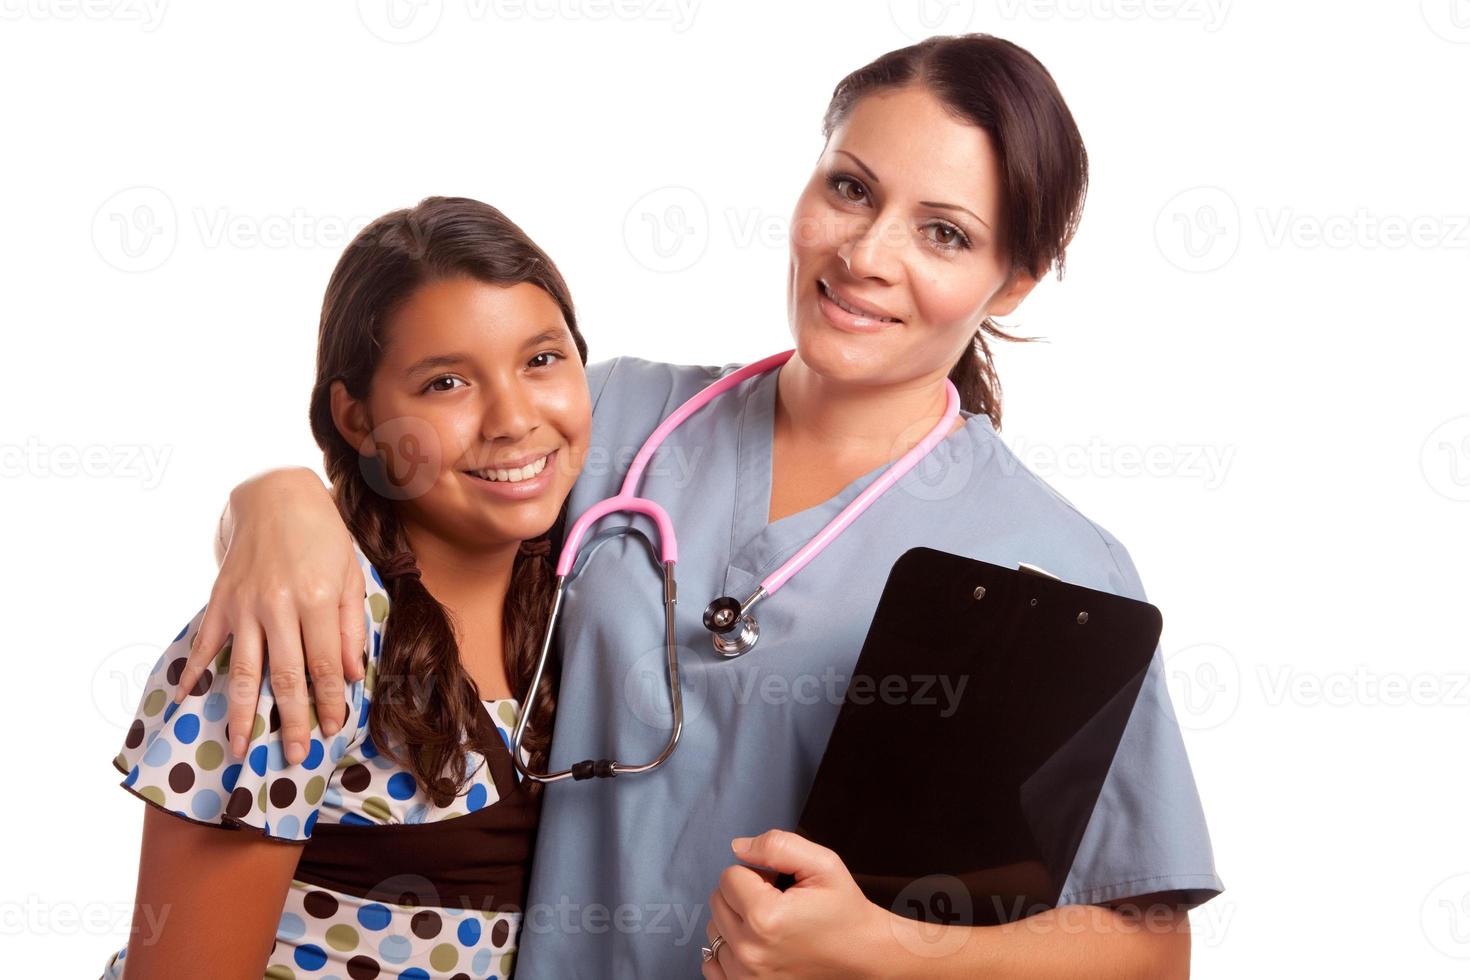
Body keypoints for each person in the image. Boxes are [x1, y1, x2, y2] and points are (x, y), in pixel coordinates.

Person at [181, 35, 1223, 978]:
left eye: (944, 233)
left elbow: (1149, 945)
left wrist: (888, 950)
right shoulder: (622, 414)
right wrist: (271, 501)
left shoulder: (1055, 561)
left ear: (1015, 283)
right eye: (852, 188)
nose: (865, 255)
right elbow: (408, 481)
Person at [102, 196, 593, 978]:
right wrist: (274, 492)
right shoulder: (301, 628)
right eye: (446, 383)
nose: (511, 419)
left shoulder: (581, 594)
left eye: (541, 360)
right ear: (357, 420)